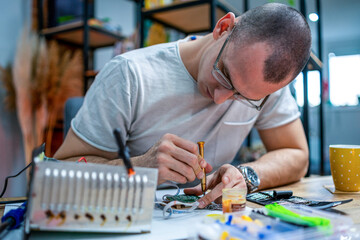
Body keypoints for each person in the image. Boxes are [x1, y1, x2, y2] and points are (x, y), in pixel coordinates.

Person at [54, 3, 311, 208]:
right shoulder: (129, 75)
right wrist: (140, 167)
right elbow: (59, 172)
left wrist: (246, 175)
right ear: (223, 28)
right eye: (224, 75)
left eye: (243, 97)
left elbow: (296, 155)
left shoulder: (261, 85)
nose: (221, 99)